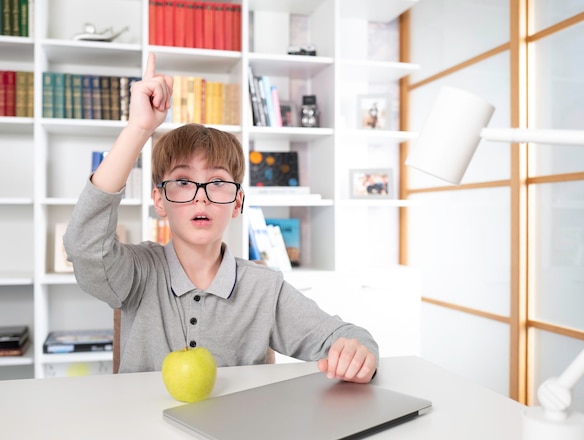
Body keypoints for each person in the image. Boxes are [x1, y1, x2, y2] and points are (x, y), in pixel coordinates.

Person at [64, 53, 378, 383]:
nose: (201, 195)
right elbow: (84, 247)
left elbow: (346, 337)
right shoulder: (137, 273)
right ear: (159, 200)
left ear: (238, 202)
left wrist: (357, 352)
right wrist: (139, 128)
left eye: (216, 182)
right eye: (183, 182)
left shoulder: (264, 287)